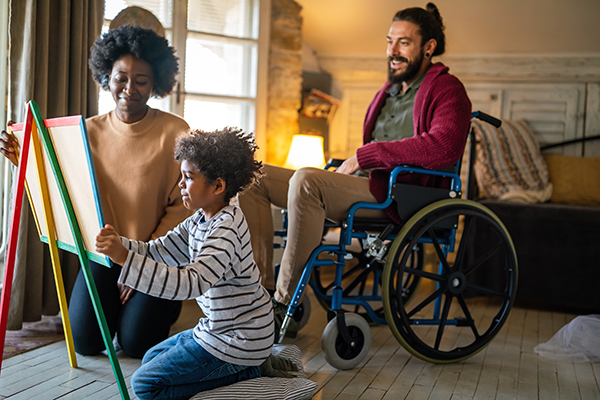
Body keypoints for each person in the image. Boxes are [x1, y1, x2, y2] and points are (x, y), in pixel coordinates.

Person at [238, 3, 472, 337]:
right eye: (390, 41)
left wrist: (367, 155)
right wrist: (363, 161)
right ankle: (259, 295)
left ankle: (280, 305)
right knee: (253, 176)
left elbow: (443, 146)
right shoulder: (388, 93)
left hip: (399, 196)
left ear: (428, 47)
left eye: (404, 43)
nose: (392, 51)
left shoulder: (447, 90)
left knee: (306, 180)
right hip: (367, 185)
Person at [0, 25, 191, 358]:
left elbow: (183, 209)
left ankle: (150, 316)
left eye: (141, 81)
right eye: (121, 77)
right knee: (85, 344)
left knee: (136, 345)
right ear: (106, 76)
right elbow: (60, 187)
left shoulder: (176, 131)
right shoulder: (86, 132)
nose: (129, 88)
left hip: (155, 258)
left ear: (156, 83)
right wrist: (23, 161)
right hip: (104, 255)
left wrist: (139, 264)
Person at [95, 128, 296, 400]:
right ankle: (246, 365)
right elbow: (160, 250)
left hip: (239, 340)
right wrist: (121, 244)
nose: (180, 184)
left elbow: (189, 283)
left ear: (217, 186)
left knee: (145, 385)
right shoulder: (200, 219)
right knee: (151, 357)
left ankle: (248, 372)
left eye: (188, 178)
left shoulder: (225, 230)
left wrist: (124, 259)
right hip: (219, 328)